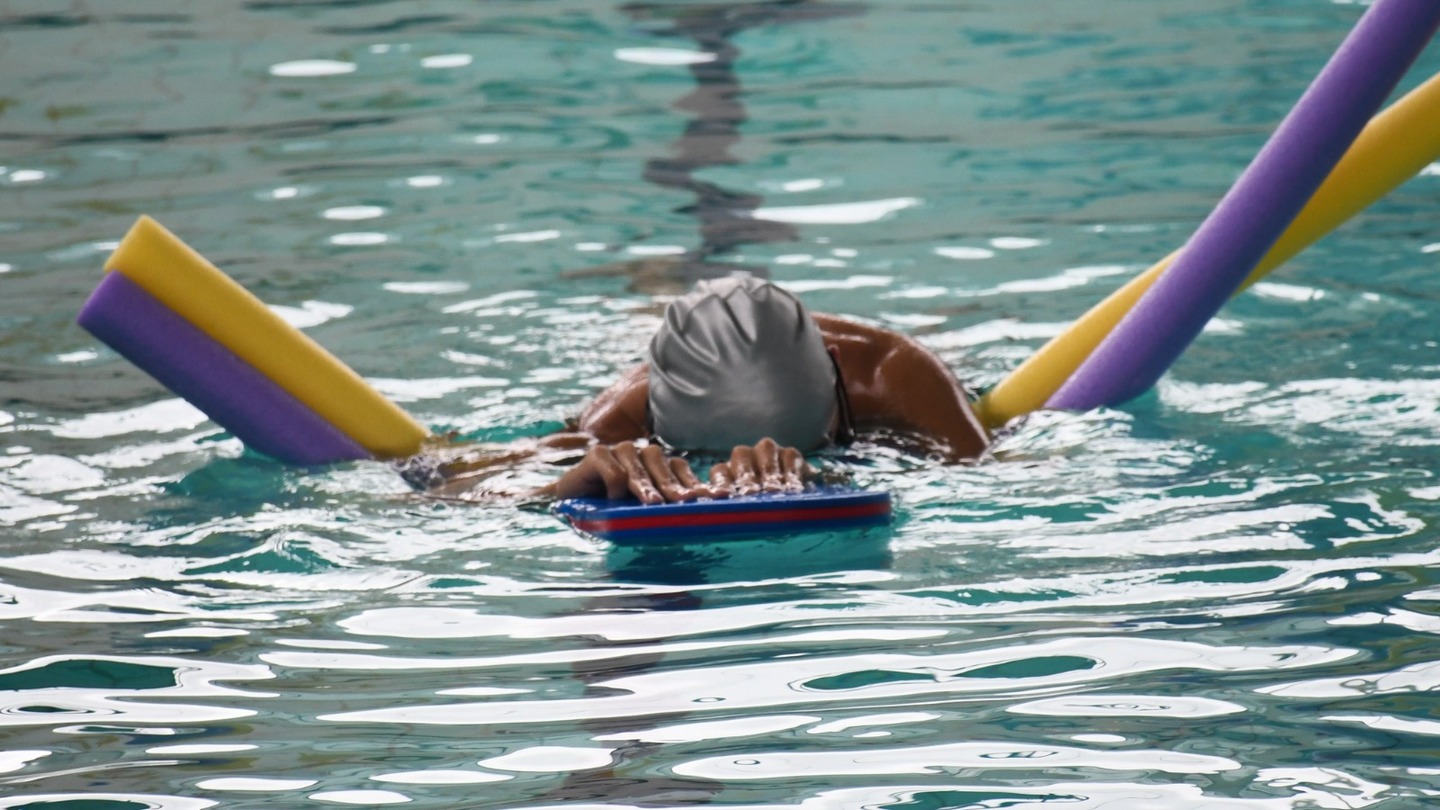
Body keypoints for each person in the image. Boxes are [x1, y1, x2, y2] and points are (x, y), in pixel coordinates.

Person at [400, 275, 989, 503]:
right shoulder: (623, 414)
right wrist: (559, 489)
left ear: (838, 373)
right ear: (657, 417)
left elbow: (982, 473)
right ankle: (650, 295)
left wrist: (836, 474)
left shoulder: (899, 376)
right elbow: (433, 482)